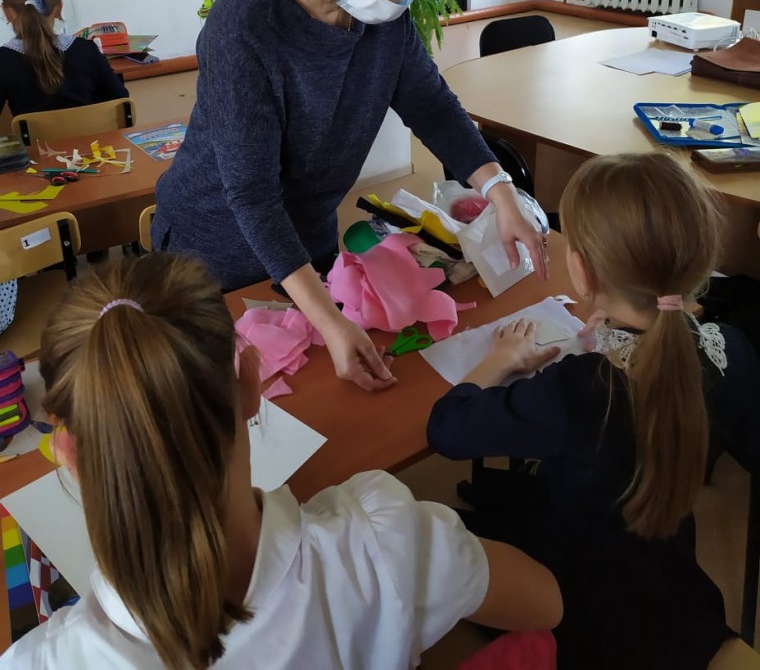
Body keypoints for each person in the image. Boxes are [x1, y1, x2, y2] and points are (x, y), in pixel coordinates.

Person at [0, 252, 562, 670]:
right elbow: (544, 603)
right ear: (251, 384)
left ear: (67, 453)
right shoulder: (385, 540)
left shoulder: (42, 661)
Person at [152, 0, 546, 393]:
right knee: (236, 404)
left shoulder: (382, 17)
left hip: (305, 244)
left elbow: (431, 104)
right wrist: (328, 318)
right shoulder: (245, 25)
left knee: (322, 396)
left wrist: (501, 193)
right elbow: (252, 195)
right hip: (215, 252)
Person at [427, 152, 760, 670]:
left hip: (581, 598)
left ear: (579, 270)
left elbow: (447, 428)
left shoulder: (579, 390)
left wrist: (501, 359)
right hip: (670, 580)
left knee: (435, 531)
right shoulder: (732, 351)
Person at [0, 0, 128, 117]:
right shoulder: (86, 50)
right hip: (91, 133)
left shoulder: (3, 61)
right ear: (59, 8)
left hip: (37, 135)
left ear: (7, 13)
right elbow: (123, 104)